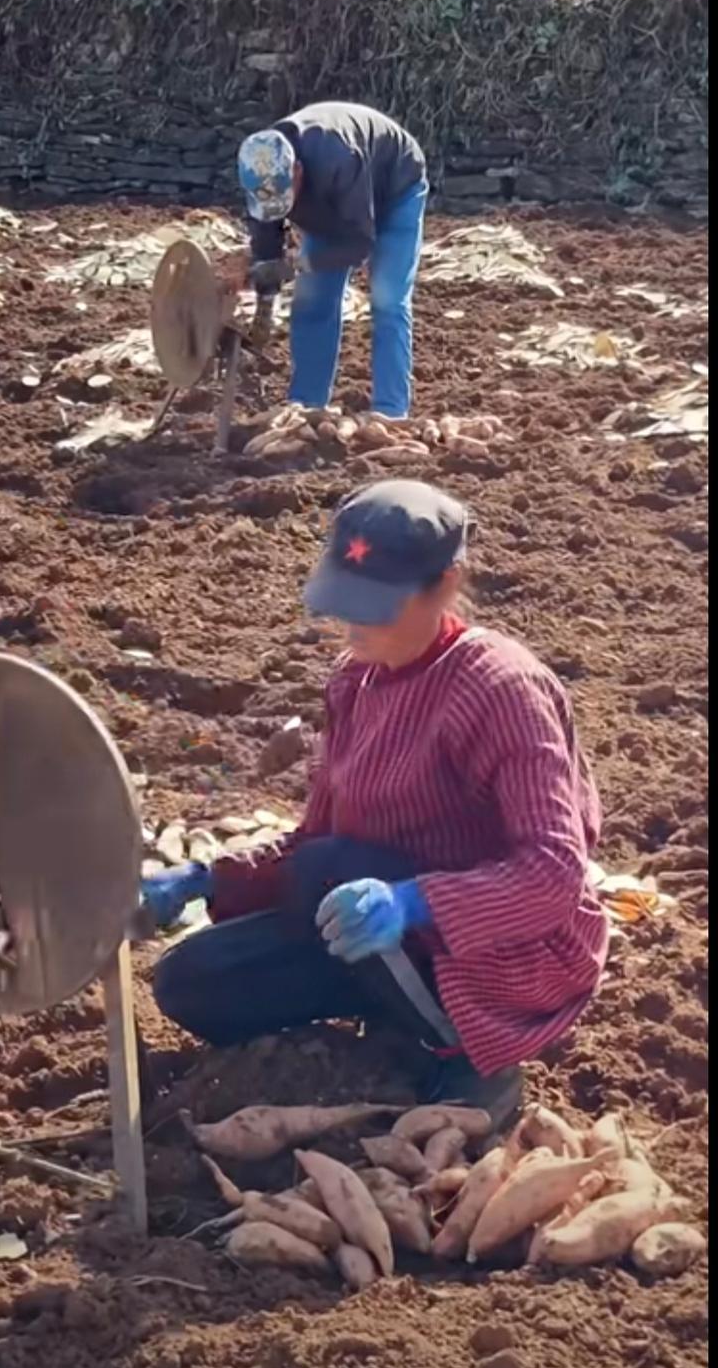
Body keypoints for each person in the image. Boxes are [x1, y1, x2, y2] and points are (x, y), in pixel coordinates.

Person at [141, 480, 610, 1128]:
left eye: (376, 606)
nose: (353, 623)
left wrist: (417, 902)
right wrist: (207, 879)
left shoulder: (502, 688)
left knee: (332, 868)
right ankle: (392, 1000)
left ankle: (475, 1056)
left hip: (502, 947)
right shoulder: (353, 680)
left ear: (445, 585)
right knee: (191, 980)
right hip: (374, 925)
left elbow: (553, 873)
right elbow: (314, 836)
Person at [239, 102, 428, 420]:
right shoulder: (263, 170)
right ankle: (306, 404)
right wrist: (265, 300)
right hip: (329, 206)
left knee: (388, 300)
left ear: (297, 171)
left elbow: (358, 245)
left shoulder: (339, 158)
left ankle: (390, 412)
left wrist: (299, 264)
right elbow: (267, 242)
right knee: (312, 301)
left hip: (395, 188)